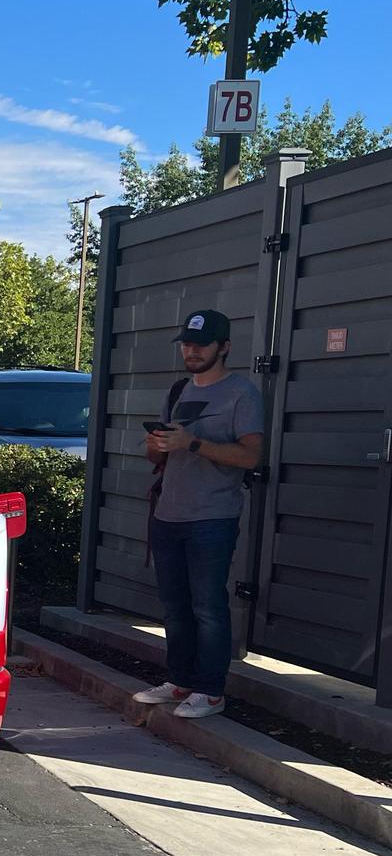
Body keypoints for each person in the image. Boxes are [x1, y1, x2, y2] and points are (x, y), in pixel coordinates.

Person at [133, 308, 266, 719]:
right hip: (169, 512)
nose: (191, 351)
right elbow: (154, 453)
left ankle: (210, 691)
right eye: (187, 344)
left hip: (213, 515)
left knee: (208, 606)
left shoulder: (242, 394)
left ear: (223, 347)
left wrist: (192, 443)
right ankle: (179, 681)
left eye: (201, 344)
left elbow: (251, 455)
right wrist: (158, 445)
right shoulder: (178, 390)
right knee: (174, 606)